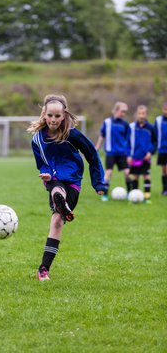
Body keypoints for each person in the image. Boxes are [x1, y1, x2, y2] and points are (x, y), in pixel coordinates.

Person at [27, 94, 106, 281]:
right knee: (56, 192)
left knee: (57, 222)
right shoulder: (37, 139)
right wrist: (46, 174)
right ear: (44, 115)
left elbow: (92, 155)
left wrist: (98, 182)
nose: (53, 120)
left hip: (72, 181)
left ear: (64, 116)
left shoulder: (72, 134)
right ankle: (43, 270)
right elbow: (42, 164)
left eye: (57, 116)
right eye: (50, 116)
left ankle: (61, 203)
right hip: (53, 178)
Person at [95, 101, 131, 201]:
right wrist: (97, 147)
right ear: (116, 110)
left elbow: (128, 141)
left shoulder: (125, 124)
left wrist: (129, 154)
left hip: (122, 153)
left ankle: (129, 193)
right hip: (110, 153)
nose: (123, 114)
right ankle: (105, 195)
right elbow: (102, 135)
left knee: (128, 173)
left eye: (125, 112)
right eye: (122, 111)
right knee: (109, 173)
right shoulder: (107, 122)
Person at [127, 105, 156, 203]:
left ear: (146, 114)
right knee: (135, 176)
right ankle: (134, 197)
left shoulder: (151, 128)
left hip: (146, 157)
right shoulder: (131, 127)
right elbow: (127, 142)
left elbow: (155, 142)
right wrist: (128, 155)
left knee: (146, 176)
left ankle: (147, 197)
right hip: (135, 156)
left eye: (143, 113)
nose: (141, 116)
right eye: (139, 113)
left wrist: (150, 152)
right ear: (136, 114)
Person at [154, 102, 167, 196]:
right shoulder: (158, 120)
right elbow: (154, 135)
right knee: (164, 170)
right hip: (162, 149)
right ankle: (164, 189)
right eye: (165, 109)